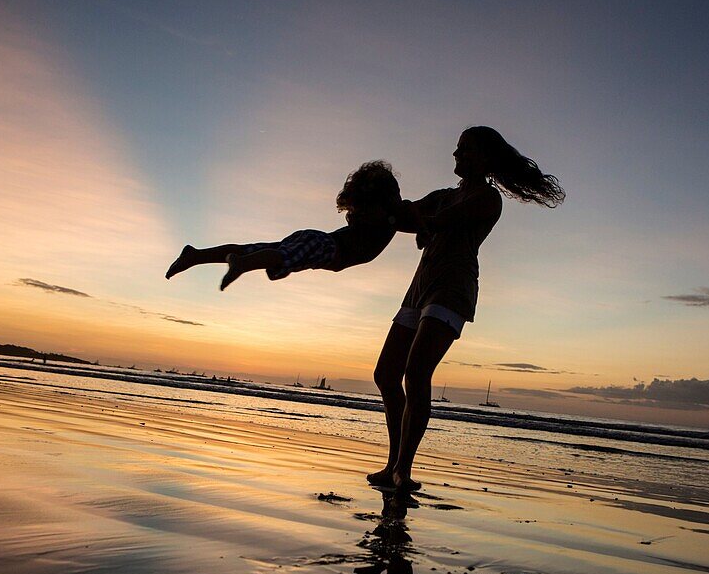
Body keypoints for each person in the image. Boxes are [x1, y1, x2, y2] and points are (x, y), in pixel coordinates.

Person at [369, 127, 564, 492]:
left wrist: (419, 222)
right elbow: (410, 214)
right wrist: (382, 205)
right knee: (385, 374)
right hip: (419, 288)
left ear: (485, 157)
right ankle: (392, 463)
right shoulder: (444, 195)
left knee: (416, 371)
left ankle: (403, 471)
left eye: (464, 149)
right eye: (456, 149)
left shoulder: (488, 199)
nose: (455, 155)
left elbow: (444, 219)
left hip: (452, 289)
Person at [165, 161, 404, 289]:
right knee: (278, 255)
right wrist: (422, 229)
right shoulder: (388, 218)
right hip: (326, 246)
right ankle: (243, 264)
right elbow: (411, 213)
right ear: (385, 198)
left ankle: (196, 256)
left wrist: (422, 231)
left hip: (317, 239)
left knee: (257, 249)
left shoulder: (377, 218)